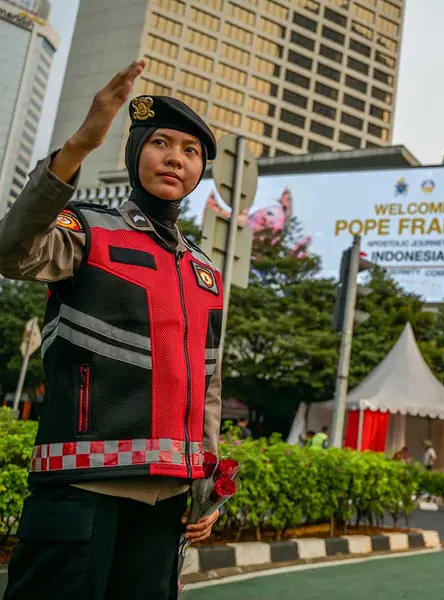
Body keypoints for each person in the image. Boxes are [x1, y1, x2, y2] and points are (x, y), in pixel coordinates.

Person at [0, 60, 224, 600]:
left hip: (167, 501)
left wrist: (208, 487)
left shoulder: (205, 272)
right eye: (161, 143)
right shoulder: (86, 229)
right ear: (134, 153)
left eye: (190, 151)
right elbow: (12, 252)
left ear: (199, 171)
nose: (175, 158)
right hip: (79, 491)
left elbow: (208, 383)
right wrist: (77, 146)